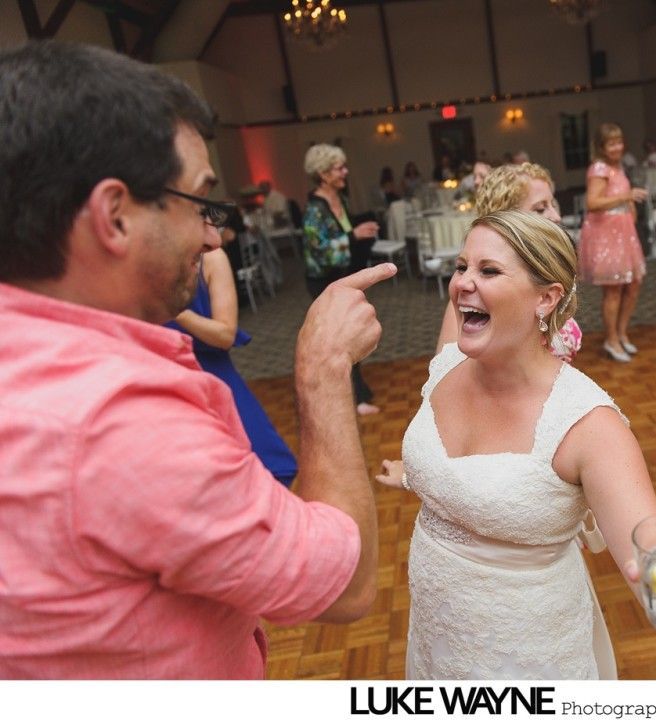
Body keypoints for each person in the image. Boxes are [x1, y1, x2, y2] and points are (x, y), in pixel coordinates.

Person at [0, 41, 395, 678]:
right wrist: (324, 369)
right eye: (198, 202)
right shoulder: (119, 421)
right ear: (114, 217)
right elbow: (345, 585)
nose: (213, 235)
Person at [377, 210, 656, 679]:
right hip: (436, 640)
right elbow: (455, 481)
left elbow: (649, 562)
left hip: (526, 659)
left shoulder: (587, 424)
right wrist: (413, 474)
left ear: (546, 297)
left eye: (488, 271)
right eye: (461, 267)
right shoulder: (445, 365)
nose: (462, 283)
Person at [167, 247, 298, 487]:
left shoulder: (212, 258)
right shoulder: (134, 265)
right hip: (168, 390)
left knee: (265, 469)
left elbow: (225, 334)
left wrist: (173, 310)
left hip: (215, 377)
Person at [436, 162, 583, 363]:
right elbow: (447, 372)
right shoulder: (471, 303)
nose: (556, 217)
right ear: (506, 218)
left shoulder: (549, 269)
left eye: (552, 204)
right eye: (541, 209)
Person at [302, 143, 381, 416]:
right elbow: (321, 252)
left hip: (344, 277)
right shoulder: (314, 210)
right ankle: (350, 399)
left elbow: (344, 233)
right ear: (323, 174)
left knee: (350, 332)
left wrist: (360, 231)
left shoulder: (340, 200)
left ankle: (356, 393)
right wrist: (353, 236)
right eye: (339, 168)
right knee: (339, 338)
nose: (345, 172)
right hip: (325, 282)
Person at [577, 123, 649, 363]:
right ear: (601, 147)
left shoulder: (617, 167)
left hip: (624, 231)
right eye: (611, 143)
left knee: (633, 285)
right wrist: (626, 197)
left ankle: (621, 333)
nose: (617, 147)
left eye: (619, 142)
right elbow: (592, 202)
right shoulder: (599, 168)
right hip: (607, 234)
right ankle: (611, 339)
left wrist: (630, 209)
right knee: (614, 289)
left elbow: (621, 198)